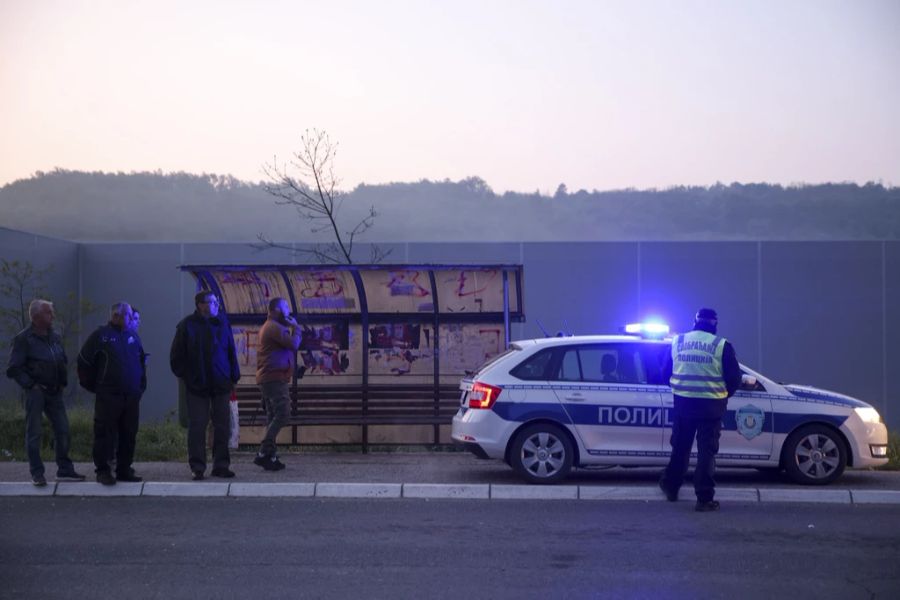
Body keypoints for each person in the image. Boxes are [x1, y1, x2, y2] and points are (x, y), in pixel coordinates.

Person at [659, 308, 742, 512]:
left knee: (680, 448)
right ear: (714, 324)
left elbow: (664, 373)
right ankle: (704, 499)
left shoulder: (678, 342)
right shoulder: (721, 345)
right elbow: (734, 378)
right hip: (711, 408)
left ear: (695, 322)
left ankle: (671, 487)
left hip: (683, 405)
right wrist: (723, 394)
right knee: (706, 453)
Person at [6, 299, 85, 486]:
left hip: (55, 391)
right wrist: (31, 385)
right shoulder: (24, 339)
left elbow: (61, 359)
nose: (53, 315)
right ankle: (37, 473)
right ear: (36, 316)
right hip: (37, 392)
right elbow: (14, 368)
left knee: (63, 430)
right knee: (34, 432)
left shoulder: (55, 336)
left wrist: (63, 381)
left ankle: (64, 469)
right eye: (49, 312)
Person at [170, 291, 240, 480]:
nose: (216, 305)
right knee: (198, 426)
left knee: (222, 426)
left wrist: (234, 375)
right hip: (197, 385)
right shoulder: (187, 325)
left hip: (221, 383)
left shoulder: (222, 323)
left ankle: (221, 465)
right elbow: (176, 357)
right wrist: (188, 377)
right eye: (212, 302)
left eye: (216, 302)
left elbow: (231, 351)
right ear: (200, 304)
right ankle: (198, 466)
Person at [77, 302, 146, 485]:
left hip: (131, 395)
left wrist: (140, 387)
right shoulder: (101, 336)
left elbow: (141, 361)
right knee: (105, 433)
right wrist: (96, 386)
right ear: (116, 316)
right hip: (109, 395)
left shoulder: (133, 336)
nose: (132, 320)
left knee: (128, 433)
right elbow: (84, 361)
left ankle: (124, 469)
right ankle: (103, 470)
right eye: (129, 316)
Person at [253, 297, 302, 471]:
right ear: (275, 310)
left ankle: (269, 457)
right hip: (274, 378)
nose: (288, 311)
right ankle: (263, 451)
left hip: (271, 377)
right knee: (283, 414)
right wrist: (296, 327)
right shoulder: (273, 327)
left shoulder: (273, 327)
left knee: (273, 417)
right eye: (285, 308)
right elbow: (294, 344)